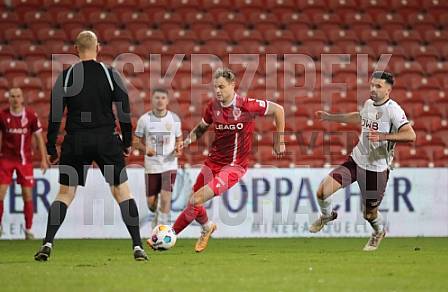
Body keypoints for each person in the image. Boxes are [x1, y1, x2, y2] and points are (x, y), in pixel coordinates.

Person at [34, 31, 148, 261]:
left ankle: (47, 243)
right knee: (122, 192)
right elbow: (123, 110)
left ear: (76, 49)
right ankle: (137, 246)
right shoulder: (109, 74)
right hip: (105, 138)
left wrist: (50, 147)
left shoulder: (66, 76)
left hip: (75, 140)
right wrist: (126, 141)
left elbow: (55, 115)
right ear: (99, 48)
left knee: (65, 193)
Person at [148, 67, 286, 253]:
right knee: (193, 200)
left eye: (221, 86)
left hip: (234, 166)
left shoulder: (247, 105)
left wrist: (280, 140)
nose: (218, 91)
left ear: (232, 85)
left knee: (196, 199)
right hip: (213, 162)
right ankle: (207, 227)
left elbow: (279, 110)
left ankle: (170, 234)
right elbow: (201, 128)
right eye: (215, 87)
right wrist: (186, 142)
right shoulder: (213, 107)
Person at [309, 71, 416, 251]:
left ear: (388, 90)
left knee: (368, 214)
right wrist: (330, 117)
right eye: (372, 85)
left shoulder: (393, 110)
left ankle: (378, 231)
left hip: (376, 169)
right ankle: (327, 216)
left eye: (378, 86)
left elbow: (410, 135)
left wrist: (383, 136)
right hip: (356, 161)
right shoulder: (369, 104)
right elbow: (359, 117)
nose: (373, 89)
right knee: (321, 192)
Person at [0, 88, 48, 239]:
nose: (15, 99)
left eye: (18, 96)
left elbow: (39, 137)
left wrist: (44, 159)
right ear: (9, 99)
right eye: (12, 96)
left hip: (25, 160)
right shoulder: (2, 115)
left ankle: (28, 230)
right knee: (0, 193)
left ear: (22, 98)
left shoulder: (31, 115)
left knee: (27, 195)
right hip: (6, 160)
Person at [133, 88, 182, 230]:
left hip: (169, 164)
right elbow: (135, 141)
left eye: (162, 98)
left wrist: (179, 148)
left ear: (167, 101)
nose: (160, 101)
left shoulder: (174, 119)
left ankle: (162, 230)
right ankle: (156, 216)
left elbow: (179, 139)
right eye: (157, 98)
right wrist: (145, 149)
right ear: (152, 100)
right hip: (152, 166)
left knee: (166, 198)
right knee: (151, 204)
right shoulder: (144, 119)